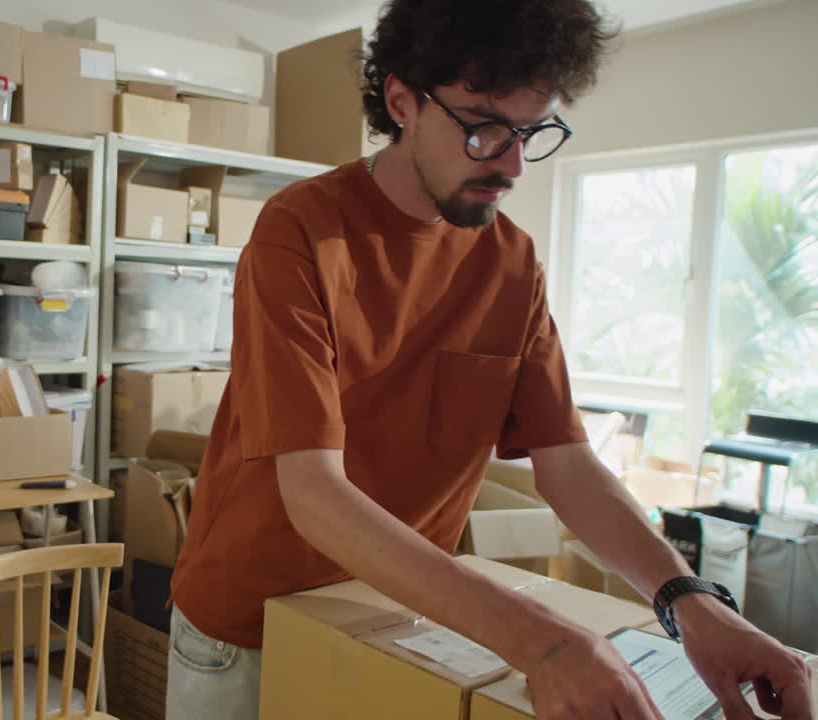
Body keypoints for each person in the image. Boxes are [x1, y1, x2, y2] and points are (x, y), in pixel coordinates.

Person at [165, 1, 815, 719]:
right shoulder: (300, 231)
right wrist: (540, 643)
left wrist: (690, 601)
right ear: (402, 100)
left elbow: (567, 466)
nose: (510, 163)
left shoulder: (512, 263)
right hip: (248, 622)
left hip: (398, 613)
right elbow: (314, 492)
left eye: (531, 132)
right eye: (483, 127)